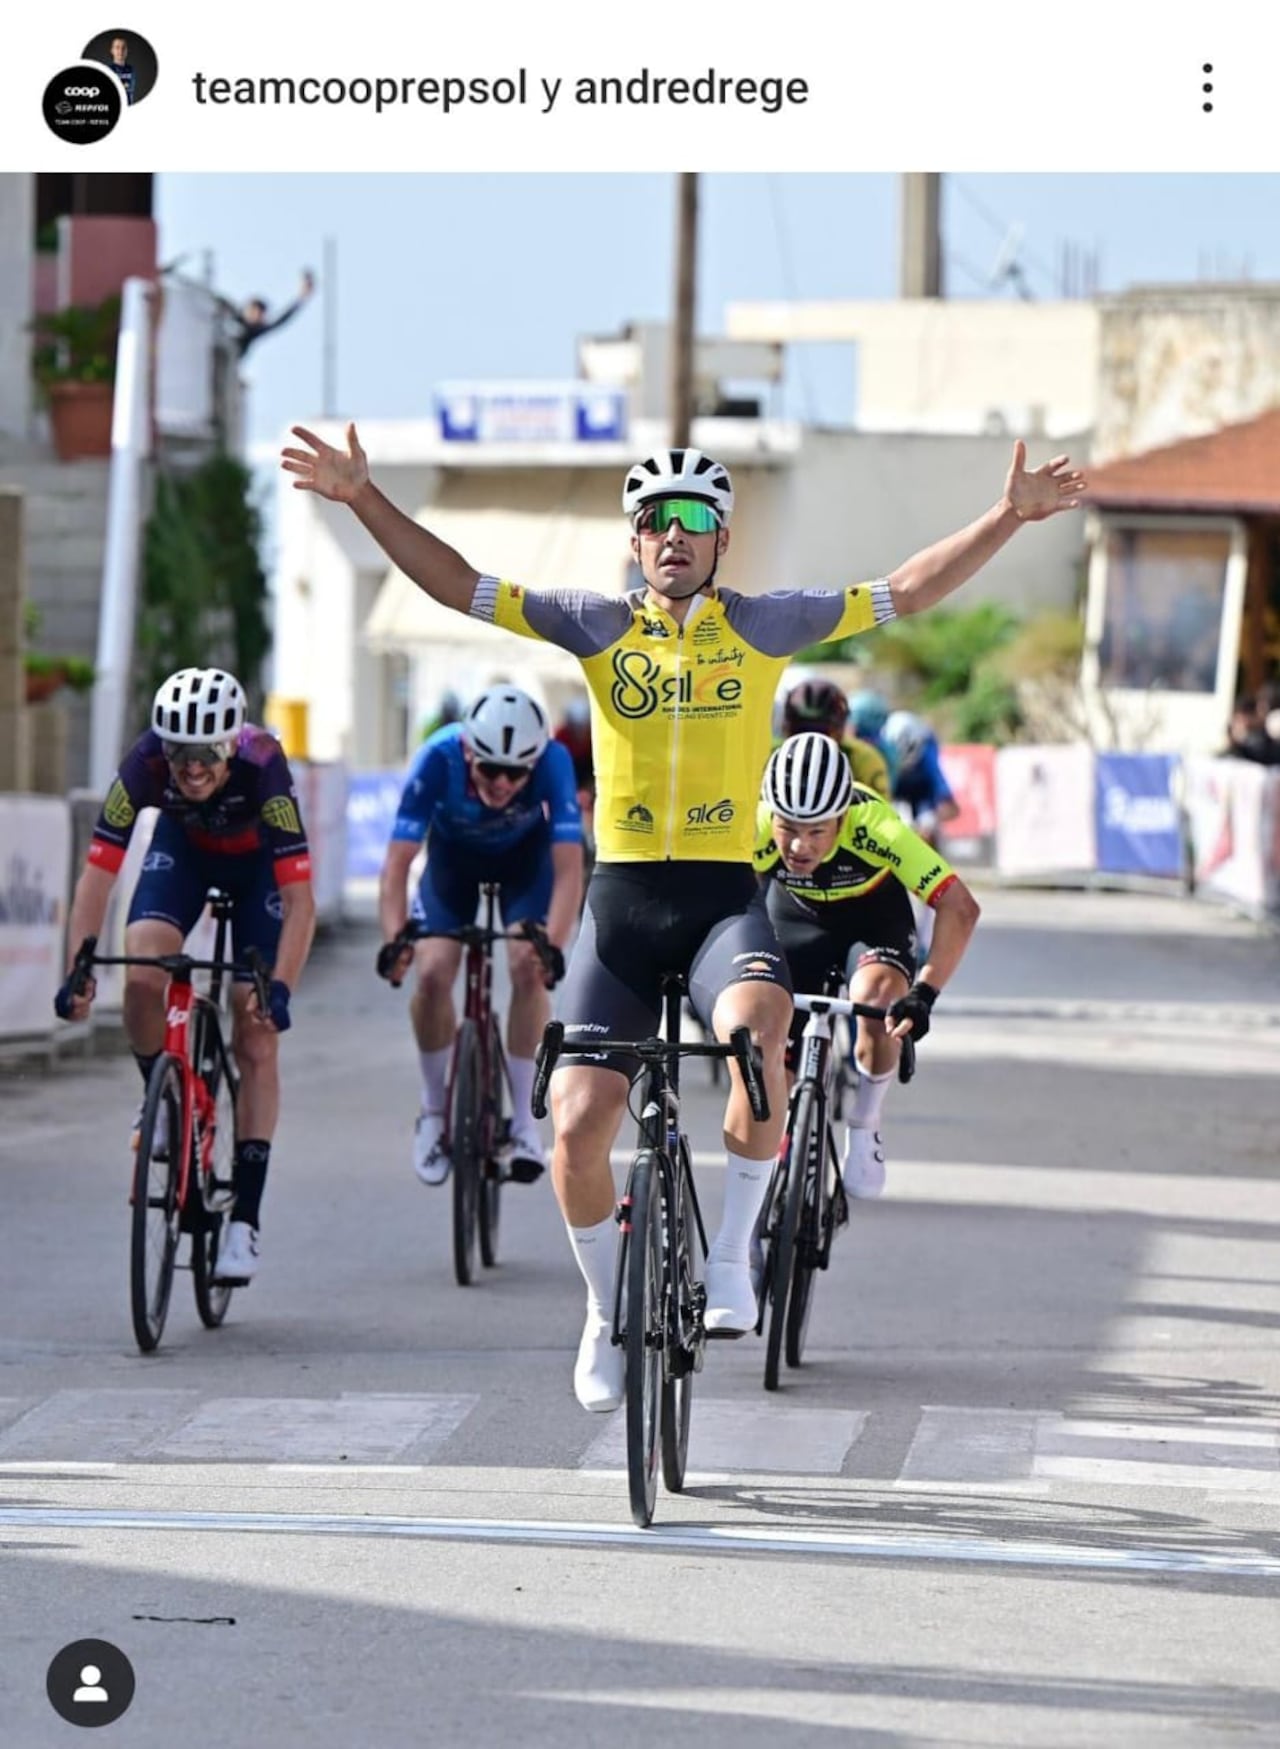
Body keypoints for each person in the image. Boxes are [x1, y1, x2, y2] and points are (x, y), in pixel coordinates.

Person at [282, 424, 1084, 1410]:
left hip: (716, 907)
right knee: (575, 1127)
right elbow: (459, 585)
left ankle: (735, 1259)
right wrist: (364, 499)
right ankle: (601, 1309)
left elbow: (901, 591)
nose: (671, 534)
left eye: (693, 519)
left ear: (721, 541)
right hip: (620, 915)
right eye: (653, 520)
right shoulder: (592, 623)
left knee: (760, 1031)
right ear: (632, 539)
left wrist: (1008, 513)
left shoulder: (761, 623)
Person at [54, 668, 317, 1284]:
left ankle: (244, 1222)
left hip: (259, 877)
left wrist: (280, 988)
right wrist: (79, 968)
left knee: (255, 1031)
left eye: (206, 755)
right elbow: (98, 875)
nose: (191, 768)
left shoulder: (264, 765)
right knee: (143, 970)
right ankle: (164, 1099)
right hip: (186, 856)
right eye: (179, 754)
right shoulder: (143, 762)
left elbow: (300, 900)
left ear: (231, 745)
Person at [755, 732, 980, 1197]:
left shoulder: (874, 825)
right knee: (767, 1038)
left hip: (870, 916)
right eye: (788, 828)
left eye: (817, 830)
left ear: (843, 817)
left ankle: (864, 1123)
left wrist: (925, 992)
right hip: (793, 915)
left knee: (876, 1005)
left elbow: (961, 907)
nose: (799, 846)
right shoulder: (752, 826)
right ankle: (768, 1173)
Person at [376, 685, 584, 1185]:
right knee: (431, 973)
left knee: (525, 968)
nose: (502, 782)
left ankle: (523, 1125)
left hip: (523, 865)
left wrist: (551, 947)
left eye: (515, 772)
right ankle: (433, 1108)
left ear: (533, 763)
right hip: (453, 863)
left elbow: (569, 869)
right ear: (468, 750)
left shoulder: (553, 761)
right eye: (489, 768)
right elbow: (398, 861)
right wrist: (395, 938)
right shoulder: (437, 758)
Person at [778, 675, 892, 797]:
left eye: (823, 732)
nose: (812, 740)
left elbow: (880, 809)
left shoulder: (864, 760)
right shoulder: (769, 755)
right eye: (802, 730)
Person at [882, 709, 960, 846]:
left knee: (926, 826)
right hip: (894, 798)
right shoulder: (880, 756)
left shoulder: (928, 756)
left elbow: (952, 808)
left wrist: (931, 821)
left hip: (921, 799)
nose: (902, 769)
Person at [225, 270, 316, 360]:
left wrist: (301, 298)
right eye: (253, 312)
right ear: (247, 309)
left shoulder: (253, 331)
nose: (256, 317)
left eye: (259, 315)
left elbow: (280, 320)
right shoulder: (230, 313)